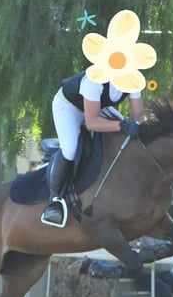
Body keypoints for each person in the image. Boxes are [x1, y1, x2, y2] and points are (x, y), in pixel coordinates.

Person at [41, 69, 145, 228]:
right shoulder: (94, 80)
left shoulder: (134, 78)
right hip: (69, 107)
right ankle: (54, 201)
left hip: (97, 108)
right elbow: (92, 123)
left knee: (128, 138)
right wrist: (123, 125)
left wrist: (144, 129)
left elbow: (138, 117)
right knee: (70, 149)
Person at [78, 237, 173, 297]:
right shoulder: (134, 230)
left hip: (164, 272)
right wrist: (137, 246)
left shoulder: (160, 230)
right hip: (143, 275)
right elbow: (125, 251)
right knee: (164, 291)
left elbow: (168, 248)